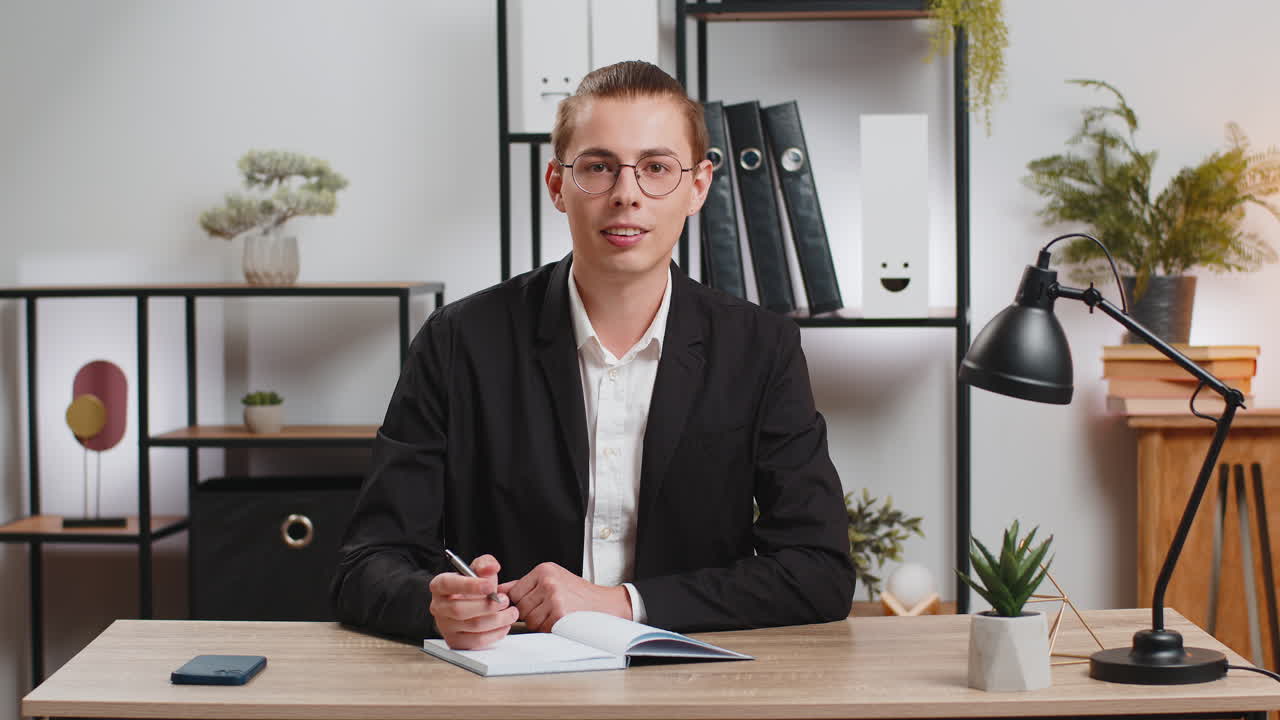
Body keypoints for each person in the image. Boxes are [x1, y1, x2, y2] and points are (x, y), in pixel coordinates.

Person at [331, 61, 855, 650]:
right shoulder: (459, 340)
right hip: (507, 686)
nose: (627, 194)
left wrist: (622, 604)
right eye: (599, 168)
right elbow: (367, 562)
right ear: (557, 184)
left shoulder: (760, 348)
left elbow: (819, 571)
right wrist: (437, 606)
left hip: (691, 686)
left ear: (699, 187)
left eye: (657, 168)